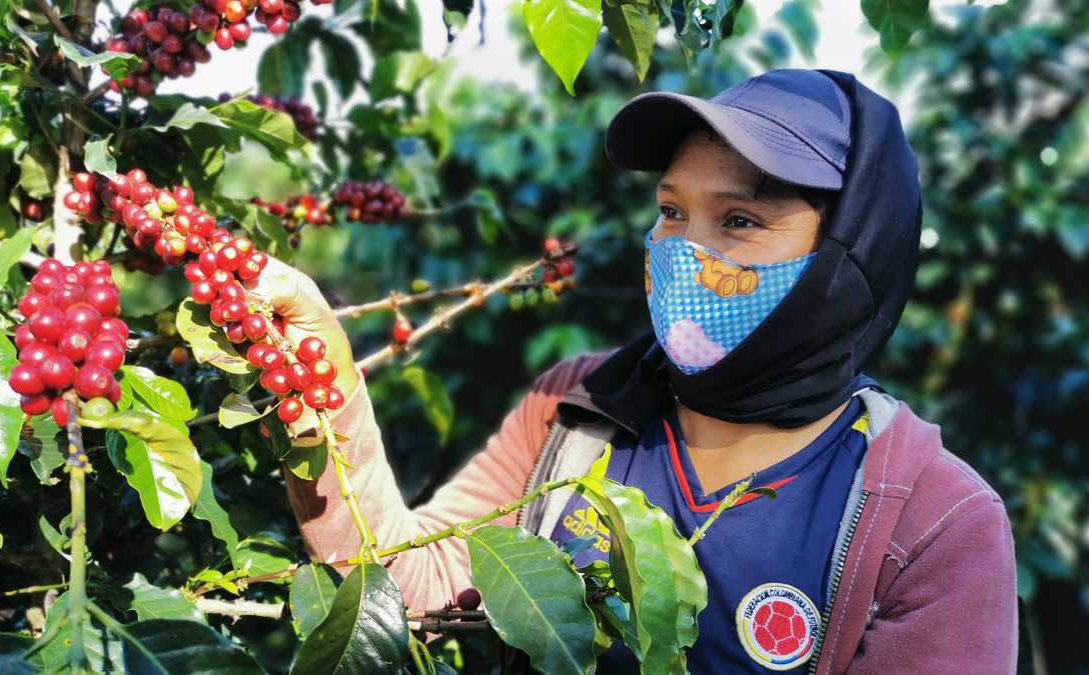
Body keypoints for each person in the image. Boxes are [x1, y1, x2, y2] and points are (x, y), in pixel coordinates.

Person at [258, 69, 1018, 674]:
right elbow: (410, 585)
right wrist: (327, 392)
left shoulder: (932, 523)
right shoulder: (573, 411)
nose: (686, 250)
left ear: (853, 254)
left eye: (741, 221)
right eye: (672, 211)